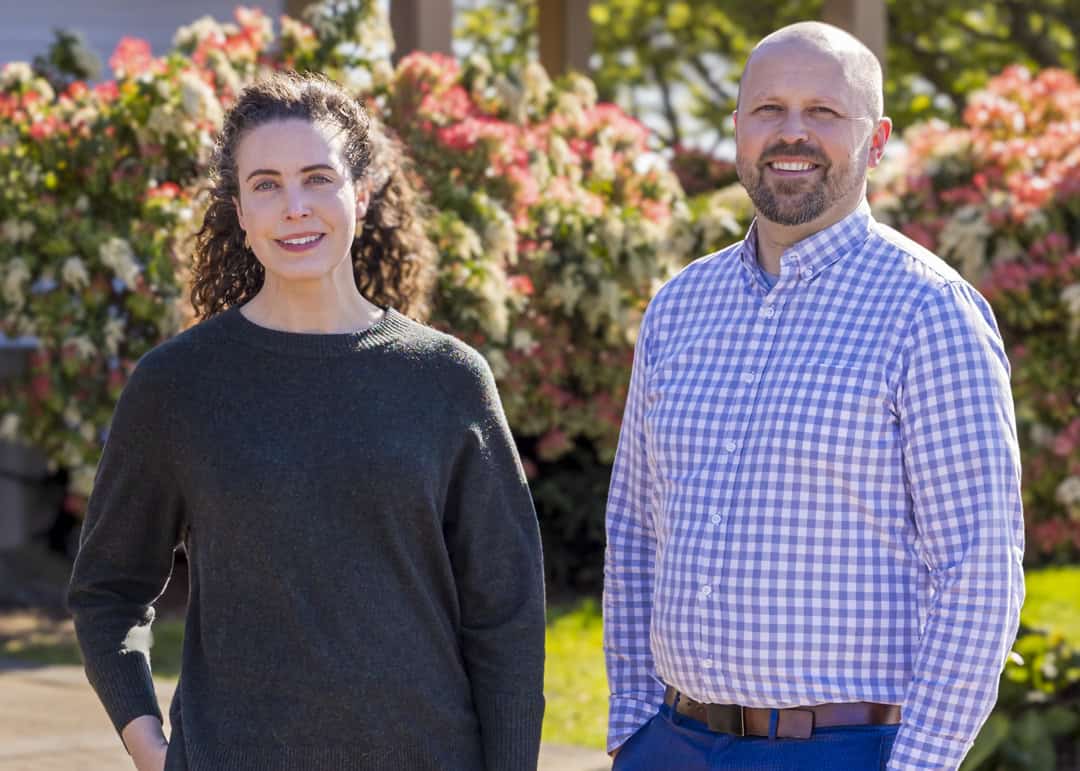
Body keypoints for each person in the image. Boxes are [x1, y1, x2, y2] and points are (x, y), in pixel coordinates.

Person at [67, 71, 546, 771]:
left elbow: (506, 614)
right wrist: (154, 751)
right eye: (266, 184)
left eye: (318, 178)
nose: (295, 207)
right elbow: (107, 589)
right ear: (237, 207)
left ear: (362, 192)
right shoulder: (178, 386)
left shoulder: (446, 379)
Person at [603, 22, 1024, 771]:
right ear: (736, 129)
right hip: (670, 743)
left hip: (845, 750)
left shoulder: (928, 311)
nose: (791, 133)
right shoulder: (679, 307)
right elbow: (636, 528)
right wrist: (634, 727)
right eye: (768, 109)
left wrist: (919, 765)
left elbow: (979, 567)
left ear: (877, 137)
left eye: (824, 113)